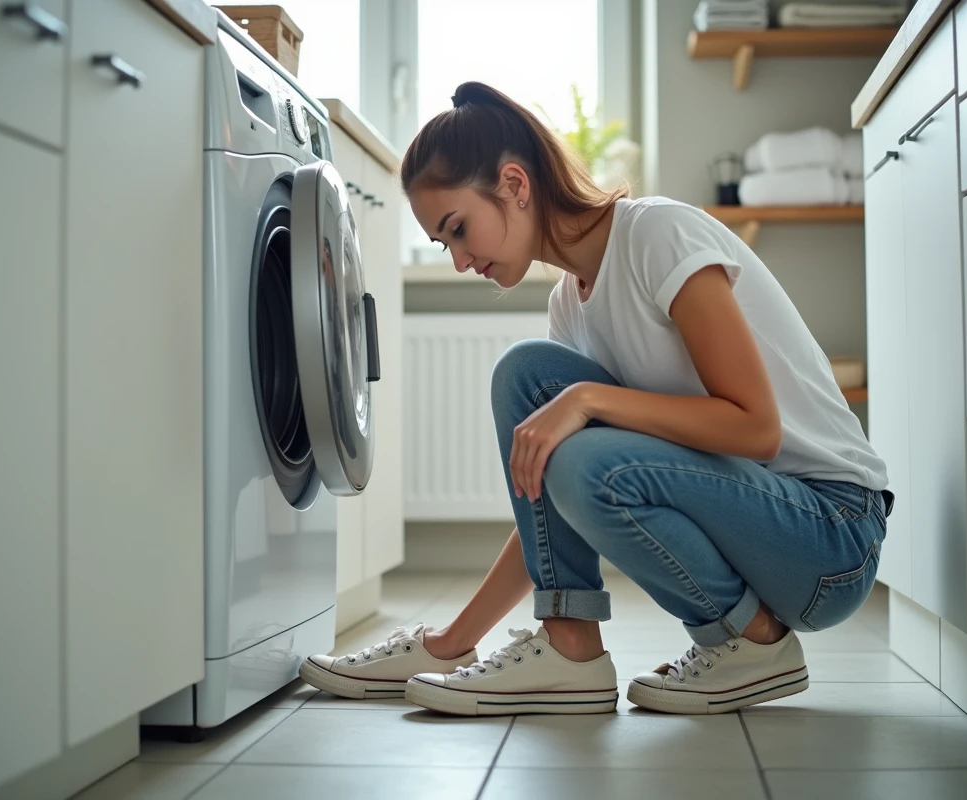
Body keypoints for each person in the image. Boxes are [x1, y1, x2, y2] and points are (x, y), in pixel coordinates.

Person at [299, 81, 891, 717]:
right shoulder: (569, 307)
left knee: (572, 442)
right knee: (525, 376)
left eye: (459, 230)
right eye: (446, 245)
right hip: (757, 516)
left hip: (832, 534)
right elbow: (547, 501)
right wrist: (452, 642)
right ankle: (569, 648)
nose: (462, 262)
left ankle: (752, 641)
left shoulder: (655, 235)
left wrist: (589, 398)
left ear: (515, 186)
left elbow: (756, 429)